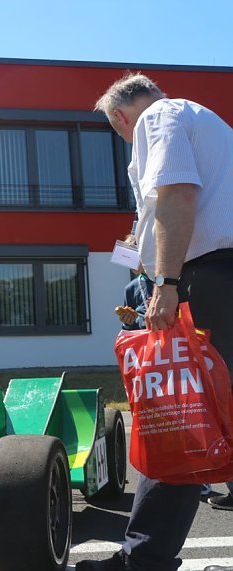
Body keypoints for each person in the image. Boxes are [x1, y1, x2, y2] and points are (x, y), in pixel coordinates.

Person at [78, 73, 233, 571]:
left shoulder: (157, 118)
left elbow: (175, 196)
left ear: (120, 116)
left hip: (202, 279)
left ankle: (143, 558)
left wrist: (164, 283)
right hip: (217, 275)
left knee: (177, 413)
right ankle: (145, 554)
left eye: (117, 132)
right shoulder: (209, 124)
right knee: (215, 412)